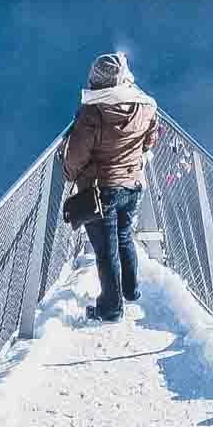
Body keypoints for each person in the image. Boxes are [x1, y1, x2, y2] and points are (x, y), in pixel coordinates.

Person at [61, 49, 159, 322]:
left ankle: (111, 308)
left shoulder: (92, 113)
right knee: (124, 236)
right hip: (133, 185)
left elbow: (76, 156)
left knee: (106, 250)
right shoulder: (145, 105)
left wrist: (69, 172)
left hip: (101, 191)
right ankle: (131, 290)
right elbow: (150, 141)